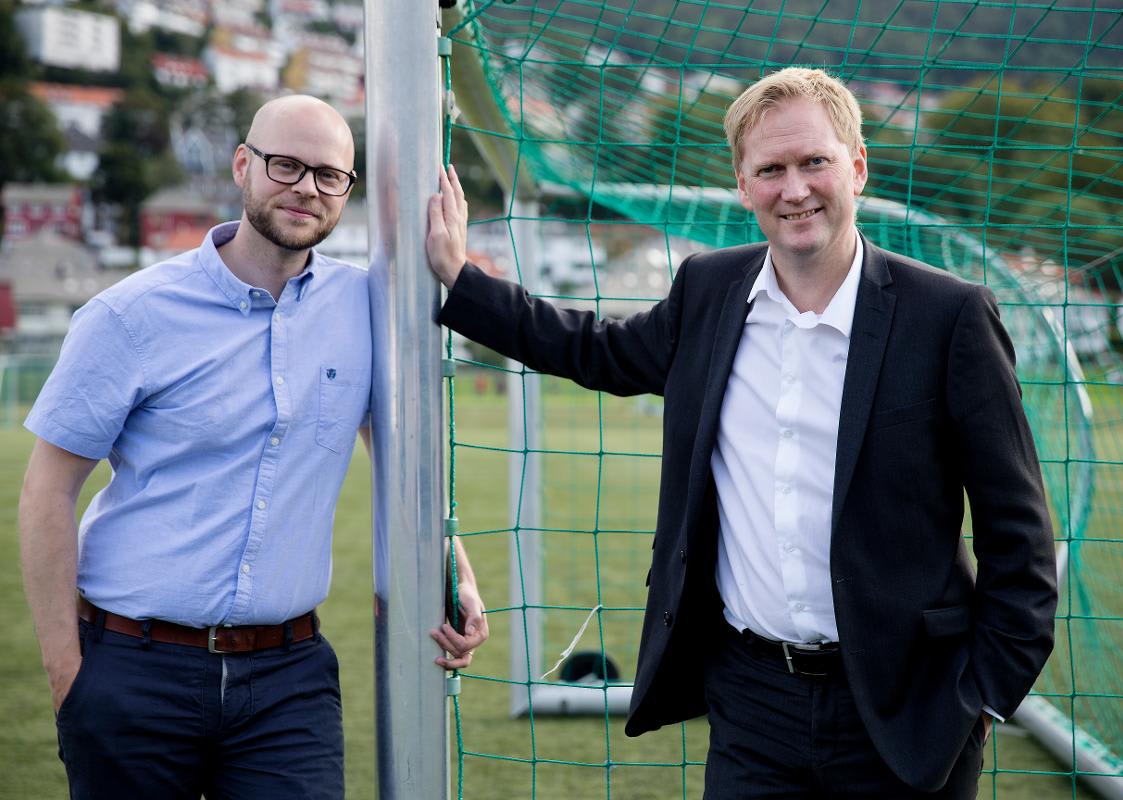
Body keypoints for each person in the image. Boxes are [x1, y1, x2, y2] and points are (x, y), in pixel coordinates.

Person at [425, 68, 1056, 797]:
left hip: (907, 702)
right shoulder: (709, 290)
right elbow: (594, 349)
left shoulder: (948, 315)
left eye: (814, 162)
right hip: (752, 701)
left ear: (856, 167)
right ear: (742, 184)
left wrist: (980, 696)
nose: (795, 189)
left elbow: (1019, 535)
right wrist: (461, 279)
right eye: (771, 170)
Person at [20, 94, 488, 800]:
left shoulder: (367, 310)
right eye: (286, 165)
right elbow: (47, 491)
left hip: (287, 680)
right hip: (134, 671)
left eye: (329, 175)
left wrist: (455, 570)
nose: (307, 188)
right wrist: (68, 673)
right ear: (243, 165)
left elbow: (402, 458)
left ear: (347, 189)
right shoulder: (130, 315)